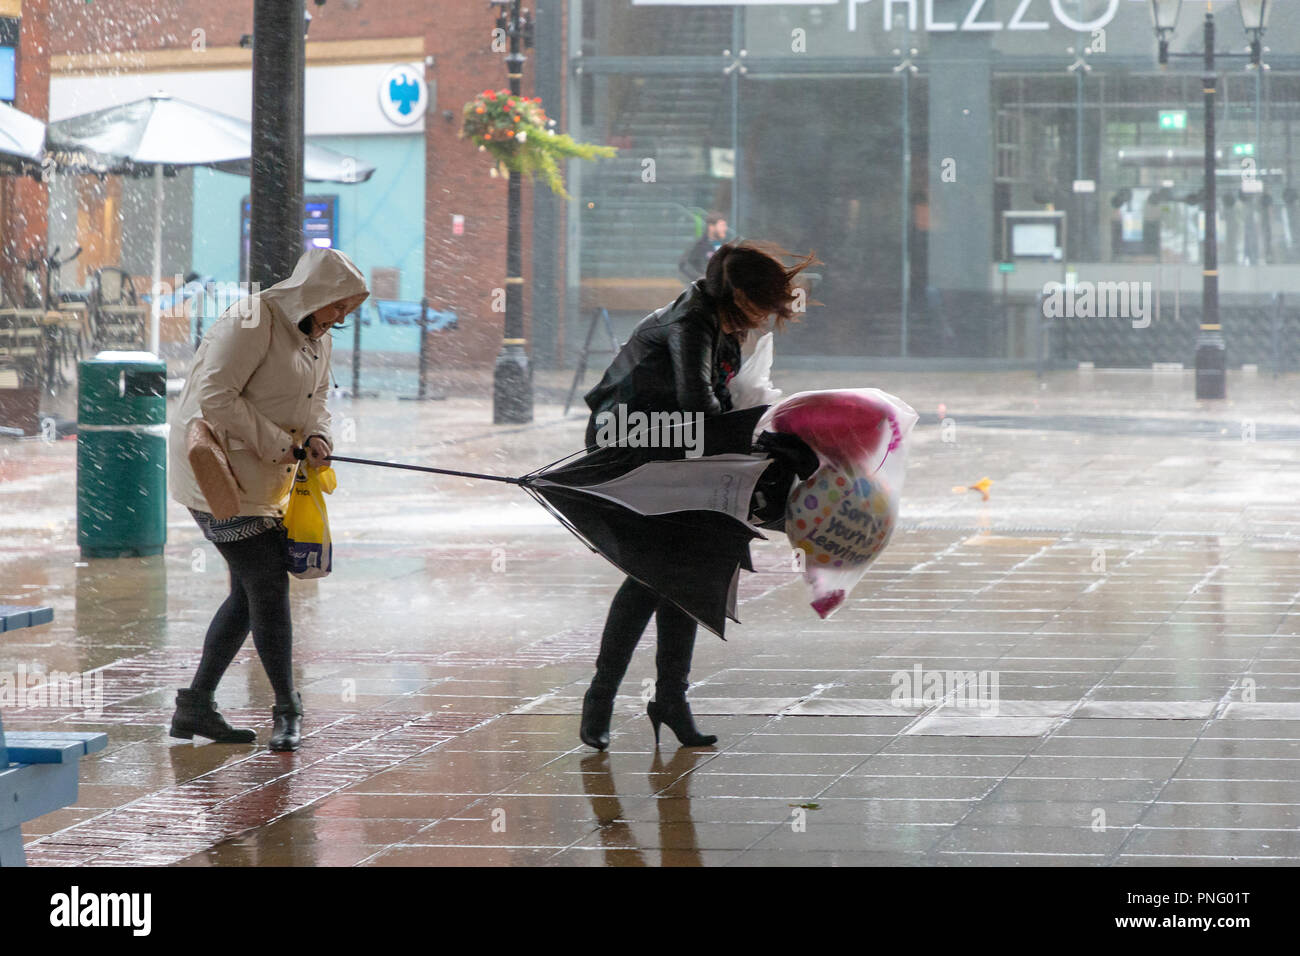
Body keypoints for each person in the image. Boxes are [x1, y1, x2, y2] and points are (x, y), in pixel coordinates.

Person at [580, 241, 816, 750]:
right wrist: (763, 441)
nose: (765, 320)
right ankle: (605, 696)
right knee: (654, 573)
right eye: (761, 307)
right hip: (635, 448)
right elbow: (699, 408)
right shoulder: (691, 324)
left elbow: (711, 409)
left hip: (675, 446)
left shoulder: (719, 320)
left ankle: (670, 699)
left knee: (685, 569)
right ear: (736, 293)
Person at [167, 248, 368, 752]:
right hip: (215, 474)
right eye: (338, 305)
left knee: (248, 593)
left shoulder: (316, 334)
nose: (342, 317)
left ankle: (195, 706)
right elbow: (216, 395)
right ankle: (287, 707)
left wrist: (320, 438)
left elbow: (317, 398)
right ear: (315, 293)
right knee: (267, 583)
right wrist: (283, 444)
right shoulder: (255, 320)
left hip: (263, 481)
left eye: (349, 308)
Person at [678, 211, 728, 282]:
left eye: (725, 225)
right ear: (711, 227)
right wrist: (700, 277)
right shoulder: (699, 245)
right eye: (722, 225)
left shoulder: (726, 246)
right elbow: (684, 264)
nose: (725, 228)